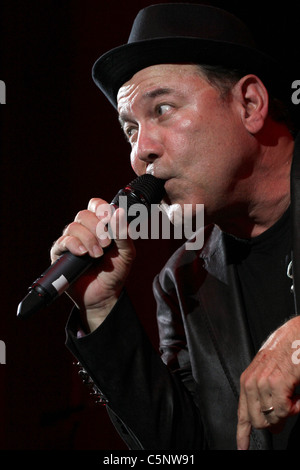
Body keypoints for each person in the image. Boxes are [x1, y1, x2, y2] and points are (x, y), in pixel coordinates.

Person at [50, 3, 300, 450]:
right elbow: (180, 449)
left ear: (250, 103)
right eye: (130, 130)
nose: (140, 151)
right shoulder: (182, 281)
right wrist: (102, 311)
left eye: (162, 108)